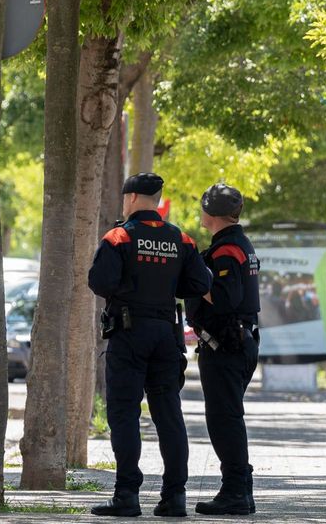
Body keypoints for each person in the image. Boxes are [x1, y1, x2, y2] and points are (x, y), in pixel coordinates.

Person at [87, 172, 212, 518]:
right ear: (156, 201)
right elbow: (200, 282)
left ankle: (126, 495)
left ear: (130, 199)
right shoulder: (181, 240)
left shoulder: (118, 236)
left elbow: (99, 281)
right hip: (166, 334)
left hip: (128, 334)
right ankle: (175, 496)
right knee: (169, 413)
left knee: (124, 412)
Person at [185, 183, 261, 516]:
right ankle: (241, 490)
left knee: (224, 419)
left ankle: (234, 492)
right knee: (227, 416)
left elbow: (226, 298)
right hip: (238, 342)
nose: (200, 212)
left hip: (228, 345)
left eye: (202, 207)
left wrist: (196, 278)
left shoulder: (228, 250)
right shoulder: (236, 245)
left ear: (211, 213)